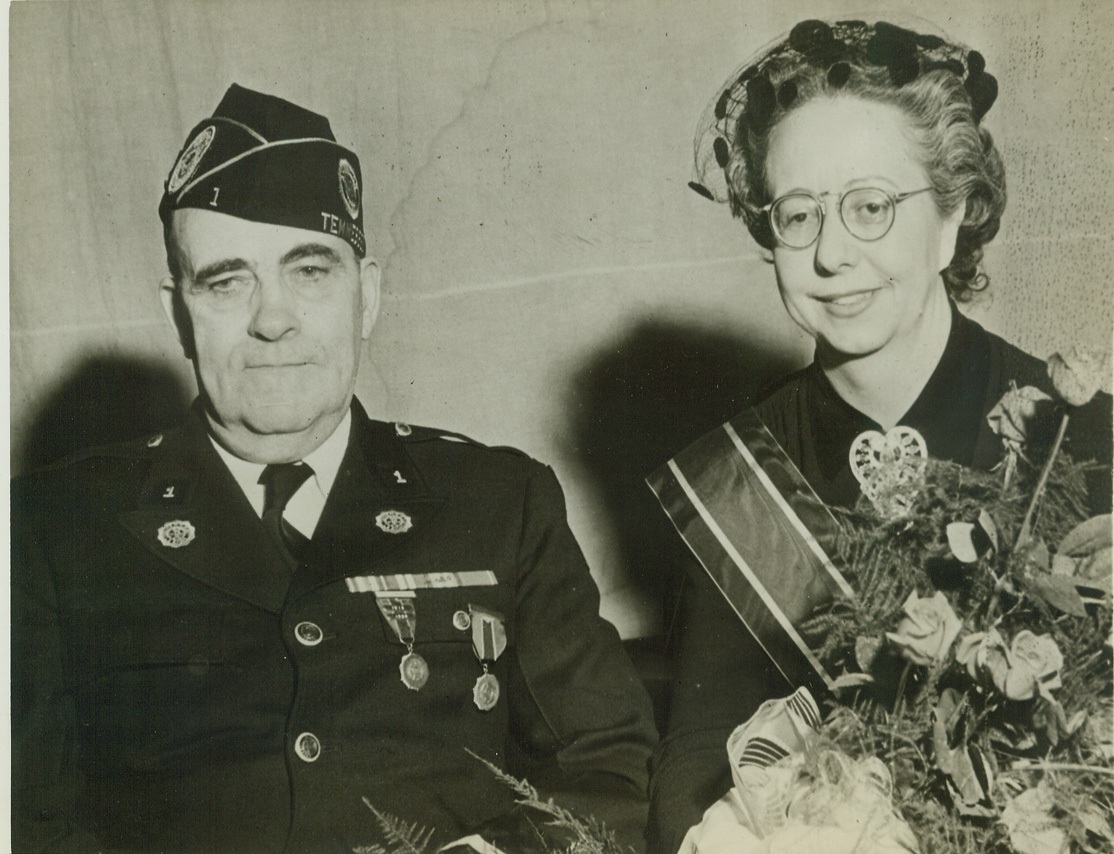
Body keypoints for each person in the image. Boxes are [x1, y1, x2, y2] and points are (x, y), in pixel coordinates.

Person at [12, 84, 657, 854]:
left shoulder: (498, 503)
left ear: (368, 295)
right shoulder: (50, 528)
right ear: (177, 314)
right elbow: (26, 819)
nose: (273, 318)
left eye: (309, 271)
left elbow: (606, 765)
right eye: (226, 281)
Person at [646, 18, 1112, 853]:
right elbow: (697, 771)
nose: (831, 254)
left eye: (870, 207)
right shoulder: (736, 479)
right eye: (798, 215)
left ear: (951, 215)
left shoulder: (1086, 439)